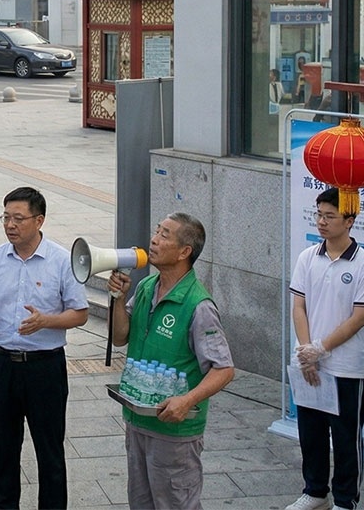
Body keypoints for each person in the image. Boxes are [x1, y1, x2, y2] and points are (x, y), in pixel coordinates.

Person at [0, 186, 88, 510]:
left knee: (50, 452)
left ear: (39, 220)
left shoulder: (61, 261)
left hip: (44, 367)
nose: (10, 225)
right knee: (4, 450)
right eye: (6, 217)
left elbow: (80, 313)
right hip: (2, 365)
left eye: (18, 218)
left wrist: (46, 321)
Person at [107, 212, 235, 510]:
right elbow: (120, 336)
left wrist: (187, 400)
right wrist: (117, 299)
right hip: (138, 419)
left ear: (184, 252)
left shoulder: (198, 305)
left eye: (164, 235)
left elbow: (224, 368)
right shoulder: (146, 287)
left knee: (175, 504)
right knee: (142, 502)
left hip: (174, 431)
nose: (153, 239)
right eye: (156, 231)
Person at [285, 187, 364, 510]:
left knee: (345, 439)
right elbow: (298, 307)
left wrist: (321, 349)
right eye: (319, 215)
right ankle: (314, 491)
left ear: (350, 221)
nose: (322, 222)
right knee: (310, 432)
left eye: (330, 216)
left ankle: (345, 500)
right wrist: (306, 352)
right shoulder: (307, 257)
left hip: (345, 367)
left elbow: (359, 317)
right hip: (307, 362)